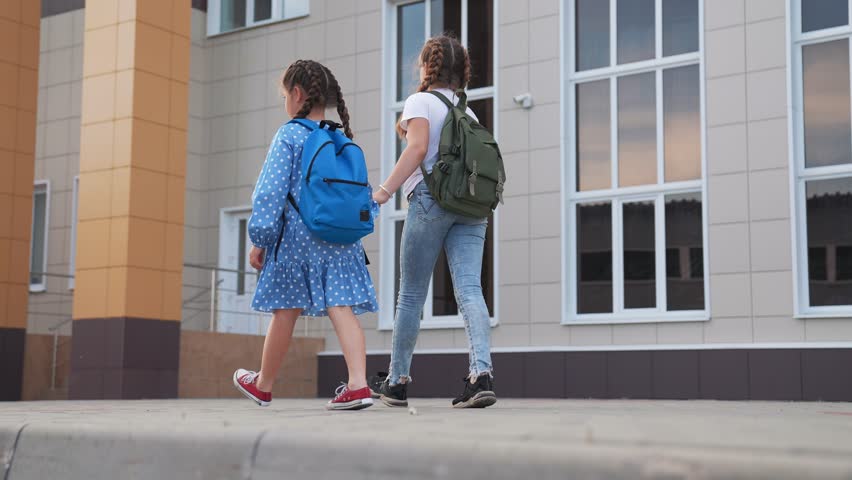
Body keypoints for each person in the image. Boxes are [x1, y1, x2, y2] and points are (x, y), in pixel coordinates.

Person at [233, 60, 378, 411]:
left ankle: (263, 384)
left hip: (299, 239)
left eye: (285, 94)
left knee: (285, 310)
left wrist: (261, 238)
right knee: (341, 306)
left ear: (297, 94)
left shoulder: (289, 134)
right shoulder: (340, 138)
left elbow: (269, 192)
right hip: (341, 240)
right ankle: (358, 383)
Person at [371, 36, 496, 409]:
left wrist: (384, 190)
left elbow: (418, 148)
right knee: (471, 290)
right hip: (472, 207)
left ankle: (397, 381)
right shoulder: (469, 113)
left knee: (410, 294)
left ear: (428, 67)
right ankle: (481, 375)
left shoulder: (420, 101)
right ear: (463, 72)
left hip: (431, 199)